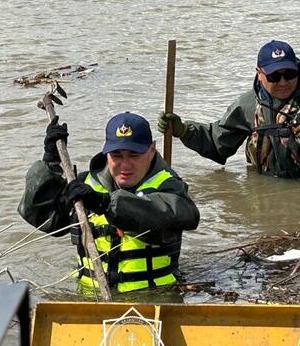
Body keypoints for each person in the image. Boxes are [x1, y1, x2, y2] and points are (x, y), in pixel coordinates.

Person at [18, 112, 200, 293]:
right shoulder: (85, 186)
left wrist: (104, 203)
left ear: (152, 150)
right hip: (91, 296)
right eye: (117, 155)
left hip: (155, 295)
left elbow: (184, 215)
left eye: (134, 155)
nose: (125, 165)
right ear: (106, 153)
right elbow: (45, 219)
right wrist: (50, 164)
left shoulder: (169, 186)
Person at [157, 40, 300, 178]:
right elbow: (217, 143)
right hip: (267, 187)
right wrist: (183, 130)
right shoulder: (247, 104)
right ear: (259, 73)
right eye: (274, 76)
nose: (283, 82)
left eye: (289, 74)